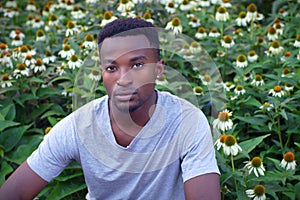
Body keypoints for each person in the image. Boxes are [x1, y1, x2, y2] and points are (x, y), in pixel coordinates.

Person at [0, 18, 220, 200]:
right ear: (101, 72)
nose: (123, 79)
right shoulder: (78, 127)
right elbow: (15, 193)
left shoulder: (187, 121)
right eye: (112, 67)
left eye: (137, 65)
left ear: (159, 69)